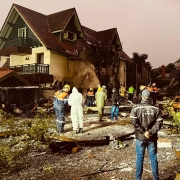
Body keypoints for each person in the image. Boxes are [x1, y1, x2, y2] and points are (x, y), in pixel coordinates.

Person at [130, 89, 163, 180]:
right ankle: (156, 178)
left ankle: (138, 178)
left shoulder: (136, 108)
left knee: (140, 158)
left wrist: (144, 132)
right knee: (153, 158)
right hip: (152, 138)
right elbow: (159, 123)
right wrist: (150, 132)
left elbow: (134, 121)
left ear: (141, 97)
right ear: (150, 97)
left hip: (140, 138)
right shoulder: (156, 109)